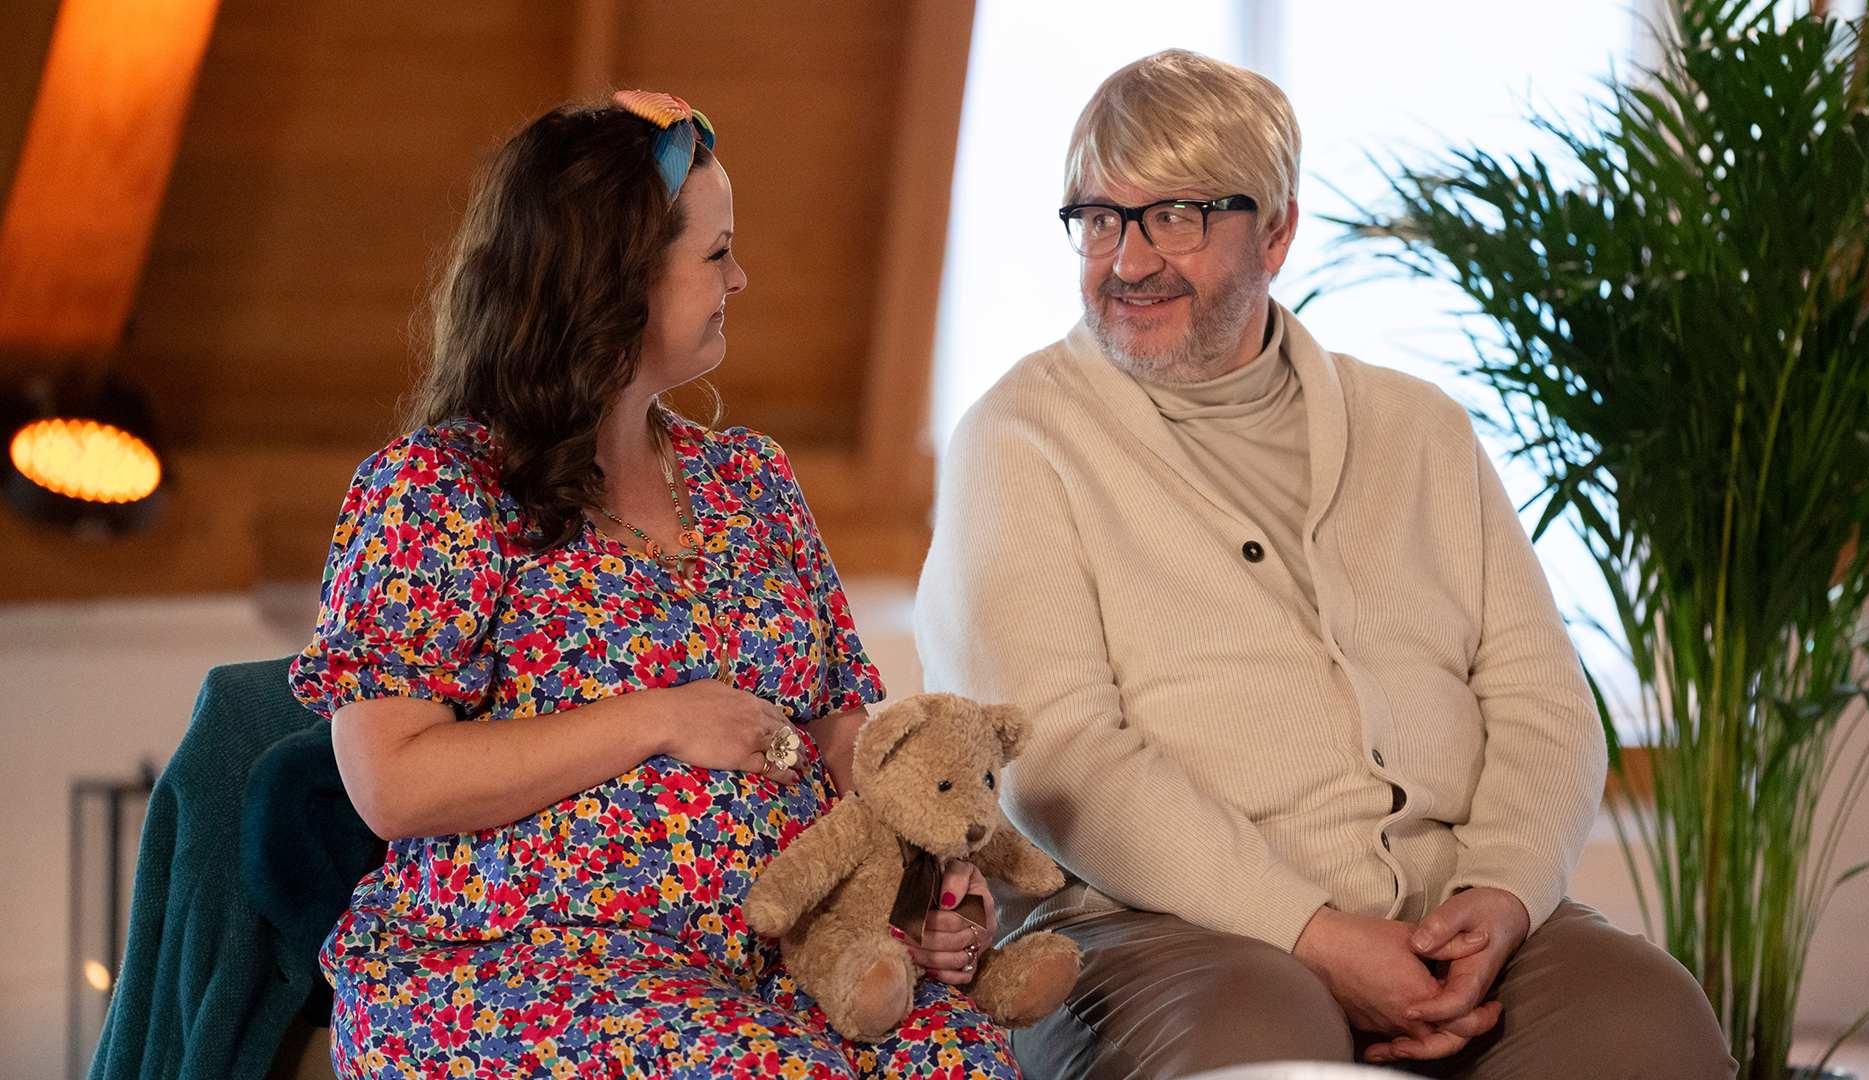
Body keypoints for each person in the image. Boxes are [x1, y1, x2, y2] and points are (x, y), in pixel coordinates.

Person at [915, 50, 1733, 1079]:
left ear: (1277, 231)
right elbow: (1058, 760)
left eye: (1175, 218)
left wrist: (1504, 896)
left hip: (1453, 914)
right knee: (1263, 1050)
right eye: (1101, 219)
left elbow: (1541, 696)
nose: (1128, 261)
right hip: (1147, 929)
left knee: (1651, 1023)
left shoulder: (1421, 429)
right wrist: (1313, 934)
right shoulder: (1017, 441)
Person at [291, 90, 1015, 1079]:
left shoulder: (753, 478)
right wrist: (662, 718)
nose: (740, 277)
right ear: (618, 278)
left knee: (964, 1058)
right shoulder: (435, 490)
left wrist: (924, 876)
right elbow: (393, 783)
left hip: (785, 962)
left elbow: (843, 727)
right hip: (520, 968)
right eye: (717, 254)